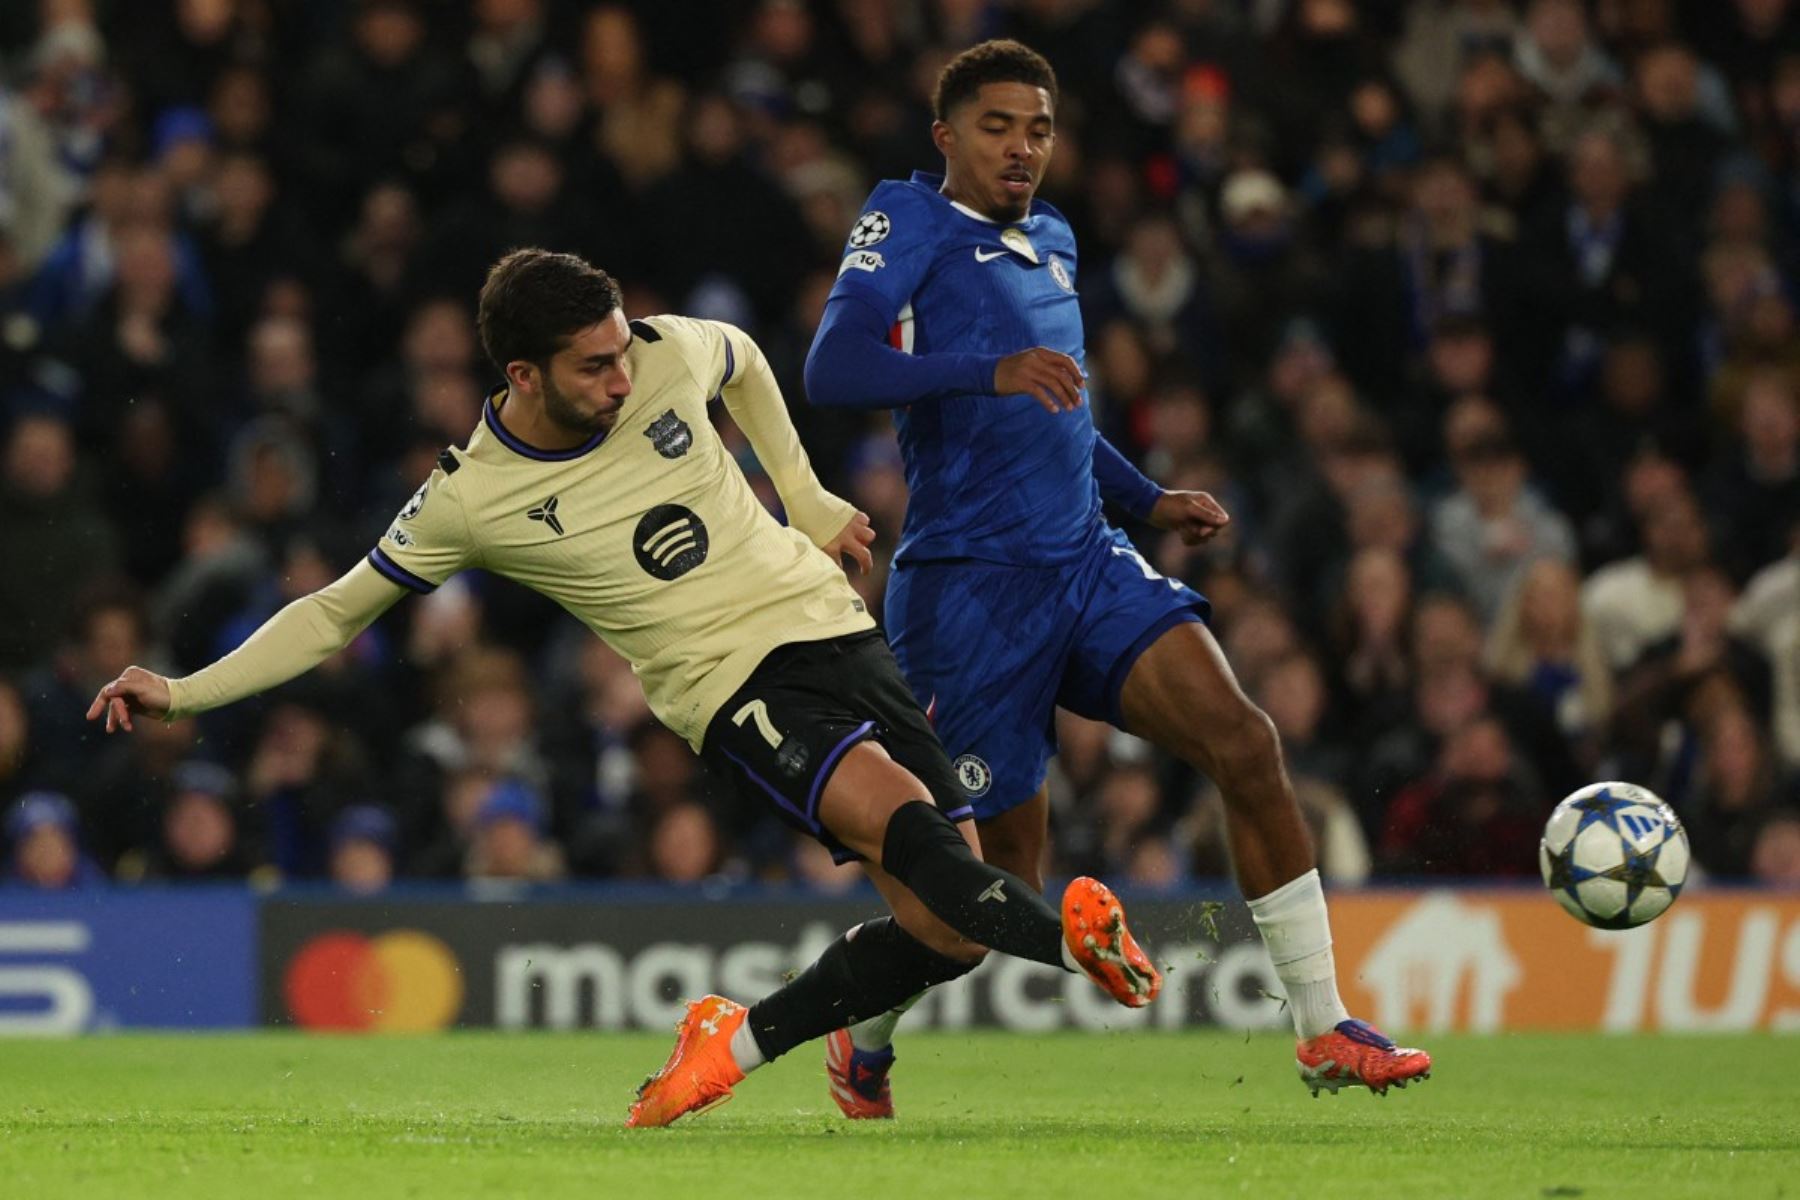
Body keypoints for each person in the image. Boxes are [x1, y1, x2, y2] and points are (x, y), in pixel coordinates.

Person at [85, 246, 1159, 1127]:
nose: (622, 376)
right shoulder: (471, 498)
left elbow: (742, 357)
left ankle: (746, 1042)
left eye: (622, 350)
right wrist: (185, 691)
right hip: (730, 685)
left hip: (832, 625)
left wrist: (805, 496)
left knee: (950, 927)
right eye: (595, 366)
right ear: (523, 376)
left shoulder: (658, 351)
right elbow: (332, 611)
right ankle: (1072, 947)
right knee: (910, 828)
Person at [804, 40, 1432, 1112]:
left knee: (1245, 740)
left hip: (1087, 560)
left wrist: (1146, 500)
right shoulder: (905, 222)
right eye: (997, 126)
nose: (1022, 148)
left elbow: (1060, 413)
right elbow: (832, 367)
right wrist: (987, 370)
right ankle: (861, 1034)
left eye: (1039, 130)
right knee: (987, 899)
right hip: (969, 595)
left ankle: (1323, 1024)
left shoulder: (1052, 238)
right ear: (946, 135)